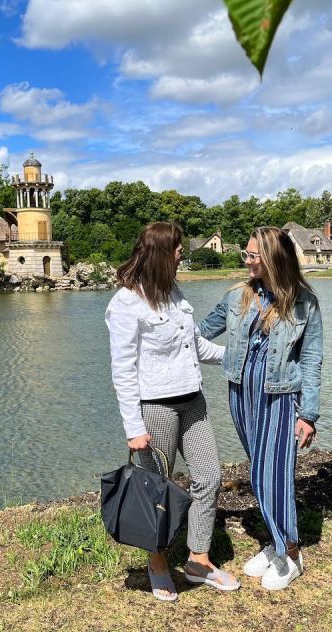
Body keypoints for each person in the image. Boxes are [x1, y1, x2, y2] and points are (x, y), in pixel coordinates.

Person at [105, 221, 240, 602]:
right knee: (155, 492)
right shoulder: (126, 303)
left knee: (209, 476)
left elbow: (194, 345)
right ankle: (158, 562)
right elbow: (123, 370)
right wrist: (134, 427)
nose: (183, 252)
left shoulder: (175, 292)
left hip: (192, 402)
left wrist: (237, 359)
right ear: (162, 252)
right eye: (178, 247)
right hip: (155, 410)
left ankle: (198, 559)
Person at [198, 226, 323, 591]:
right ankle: (276, 543)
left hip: (280, 397)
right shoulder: (238, 297)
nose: (248, 262)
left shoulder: (304, 303)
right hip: (240, 394)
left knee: (272, 477)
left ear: (273, 259)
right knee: (259, 471)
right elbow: (201, 331)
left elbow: (312, 360)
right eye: (247, 255)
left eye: (253, 256)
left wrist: (308, 415)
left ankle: (292, 552)